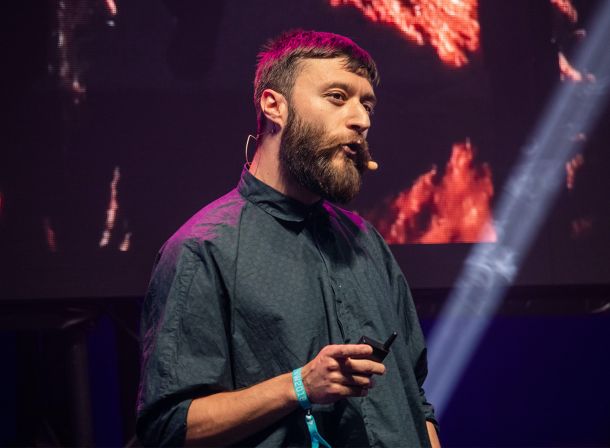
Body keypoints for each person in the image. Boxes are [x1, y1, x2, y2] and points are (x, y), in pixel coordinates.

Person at [136, 30, 440, 447]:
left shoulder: (365, 241)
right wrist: (298, 386)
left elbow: (414, 398)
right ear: (273, 105)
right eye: (337, 96)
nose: (362, 120)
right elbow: (170, 427)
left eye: (367, 104)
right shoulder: (203, 249)